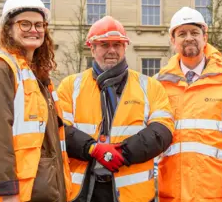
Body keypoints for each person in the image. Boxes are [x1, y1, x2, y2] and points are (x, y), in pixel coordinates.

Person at [57, 16, 175, 202]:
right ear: (92, 48)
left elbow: (162, 131)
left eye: (117, 44)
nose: (111, 50)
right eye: (104, 44)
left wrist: (122, 153)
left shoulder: (150, 86)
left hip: (133, 195)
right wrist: (93, 148)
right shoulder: (70, 86)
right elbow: (60, 130)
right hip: (82, 192)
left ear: (125, 47)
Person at [0, 0, 71, 202]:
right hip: (15, 195)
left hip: (42, 192)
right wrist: (7, 193)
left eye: (39, 24)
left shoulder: (38, 77)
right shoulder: (0, 70)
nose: (34, 30)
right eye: (25, 24)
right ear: (8, 29)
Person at [155, 7, 222, 202]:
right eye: (182, 33)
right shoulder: (158, 84)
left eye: (194, 32)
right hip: (173, 194)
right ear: (173, 41)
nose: (189, 37)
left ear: (205, 37)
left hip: (217, 193)